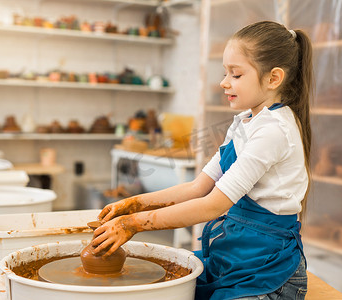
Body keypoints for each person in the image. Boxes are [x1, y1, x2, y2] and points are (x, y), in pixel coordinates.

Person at [92, 21, 313, 300]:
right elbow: (198, 187)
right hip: (236, 255)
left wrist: (133, 224)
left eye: (236, 74)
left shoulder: (274, 131)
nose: (224, 82)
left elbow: (212, 206)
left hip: (270, 273)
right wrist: (132, 205)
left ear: (273, 79)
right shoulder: (245, 122)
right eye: (225, 73)